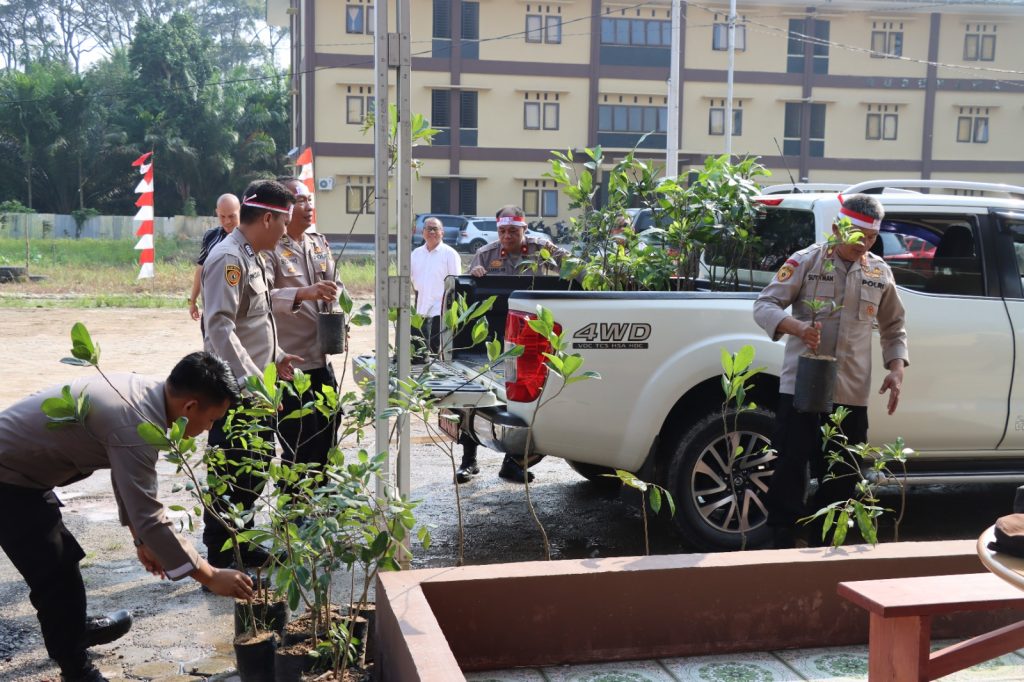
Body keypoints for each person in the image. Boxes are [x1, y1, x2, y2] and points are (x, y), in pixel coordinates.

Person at [0, 352, 255, 682]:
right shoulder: (138, 423)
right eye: (211, 420)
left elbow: (126, 478)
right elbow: (149, 513)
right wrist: (209, 575)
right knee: (56, 574)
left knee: (61, 566)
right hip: (8, 479)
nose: (210, 429)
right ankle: (77, 669)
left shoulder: (146, 395)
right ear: (190, 406)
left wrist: (140, 538)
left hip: (24, 472)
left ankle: (72, 627)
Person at [753, 194, 909, 548]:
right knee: (790, 465)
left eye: (870, 238)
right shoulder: (807, 261)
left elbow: (894, 326)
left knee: (843, 474)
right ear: (838, 228)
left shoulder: (878, 272)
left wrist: (896, 369)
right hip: (802, 386)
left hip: (850, 391)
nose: (863, 244)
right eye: (856, 235)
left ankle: (824, 542)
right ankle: (783, 539)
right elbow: (764, 305)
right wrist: (796, 328)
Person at [201, 179, 300, 567]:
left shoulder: (253, 255)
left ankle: (243, 540)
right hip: (237, 390)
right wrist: (252, 381)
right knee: (231, 467)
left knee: (254, 467)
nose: (287, 230)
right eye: (285, 221)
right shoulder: (229, 257)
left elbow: (254, 321)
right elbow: (220, 328)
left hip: (257, 384)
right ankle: (222, 555)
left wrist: (276, 356)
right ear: (269, 218)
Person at [462, 205, 570, 484]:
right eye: (502, 231)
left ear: (524, 230)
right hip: (494, 337)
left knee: (528, 398)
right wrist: (473, 272)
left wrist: (555, 254)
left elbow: (573, 268)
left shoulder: (541, 249)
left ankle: (512, 463)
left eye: (513, 231)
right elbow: (467, 291)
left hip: (532, 336)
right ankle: (468, 461)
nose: (507, 236)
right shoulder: (486, 254)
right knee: (475, 397)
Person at [265, 176, 341, 473]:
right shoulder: (270, 248)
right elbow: (262, 299)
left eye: (310, 199)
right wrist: (303, 293)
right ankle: (295, 508)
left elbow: (337, 285)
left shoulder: (318, 243)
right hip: (291, 364)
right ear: (284, 207)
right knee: (299, 442)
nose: (308, 206)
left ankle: (320, 500)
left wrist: (338, 306)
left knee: (330, 428)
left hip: (321, 358)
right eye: (300, 201)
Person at [410, 216, 461, 360]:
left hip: (441, 308)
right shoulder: (416, 254)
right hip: (420, 307)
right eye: (428, 229)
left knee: (436, 350)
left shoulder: (450, 254)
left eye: (435, 229)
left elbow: (455, 283)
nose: (431, 232)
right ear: (423, 232)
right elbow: (411, 279)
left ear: (442, 233)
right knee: (417, 350)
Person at [188, 194, 241, 325]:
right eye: (222, 216)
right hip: (213, 308)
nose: (227, 221)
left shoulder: (251, 238)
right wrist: (193, 300)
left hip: (241, 312)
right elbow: (201, 269)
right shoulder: (210, 237)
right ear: (217, 213)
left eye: (232, 216)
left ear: (240, 212)